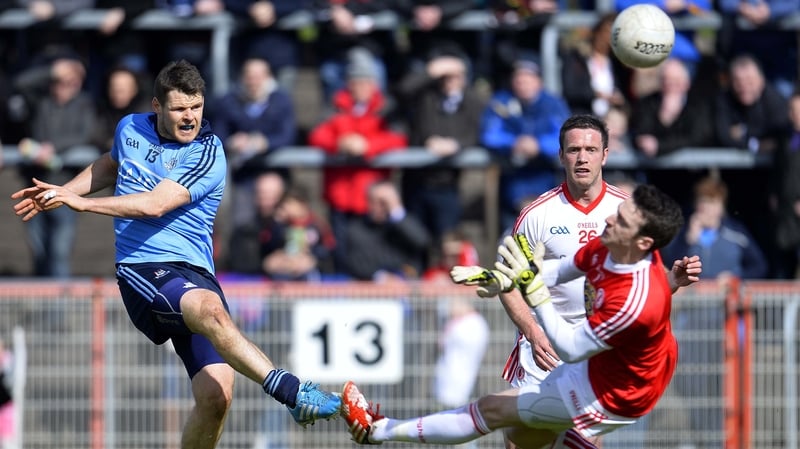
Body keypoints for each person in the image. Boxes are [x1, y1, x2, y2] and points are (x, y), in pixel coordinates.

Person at [10, 60, 341, 449]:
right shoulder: (130, 127)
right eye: (180, 108)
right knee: (210, 310)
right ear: (157, 106)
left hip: (195, 272)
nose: (190, 117)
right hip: (143, 267)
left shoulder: (207, 153)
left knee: (217, 395)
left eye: (196, 107)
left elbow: (155, 204)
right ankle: (293, 393)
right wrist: (64, 191)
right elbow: (111, 164)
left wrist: (80, 204)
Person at [340, 183, 702, 448]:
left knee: (492, 410)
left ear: (643, 243)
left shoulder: (637, 301)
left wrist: (536, 293)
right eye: (617, 211)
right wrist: (504, 278)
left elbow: (570, 348)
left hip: (618, 393)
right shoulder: (611, 244)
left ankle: (378, 429)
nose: (608, 218)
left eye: (621, 220)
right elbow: (558, 271)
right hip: (609, 365)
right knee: (525, 437)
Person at [660, 175, 766, 449]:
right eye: (703, 202)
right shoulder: (686, 233)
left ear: (721, 206)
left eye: (712, 202)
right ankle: (700, 439)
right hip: (692, 322)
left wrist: (735, 278)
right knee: (692, 385)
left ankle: (721, 440)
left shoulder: (736, 234)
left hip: (724, 321)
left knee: (723, 385)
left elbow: (759, 266)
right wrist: (687, 240)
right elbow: (667, 265)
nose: (706, 208)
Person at [308, 53, 407, 274]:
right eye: (355, 81)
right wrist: (340, 143)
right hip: (340, 194)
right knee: (341, 252)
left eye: (365, 81)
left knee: (371, 254)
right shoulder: (335, 105)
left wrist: (368, 145)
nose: (360, 87)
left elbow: (398, 139)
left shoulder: (386, 108)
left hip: (372, 197)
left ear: (374, 84)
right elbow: (317, 134)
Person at [393, 45, 486, 266]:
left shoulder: (473, 101)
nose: (449, 81)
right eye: (444, 76)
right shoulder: (426, 96)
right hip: (415, 182)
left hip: (448, 184)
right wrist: (431, 70)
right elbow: (402, 91)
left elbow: (481, 133)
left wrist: (456, 145)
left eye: (455, 75)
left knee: (448, 244)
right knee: (414, 245)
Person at [15, 56, 97, 277]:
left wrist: (53, 147)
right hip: (34, 184)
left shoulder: (84, 104)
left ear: (78, 82)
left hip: (65, 186)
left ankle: (61, 298)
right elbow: (22, 83)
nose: (64, 86)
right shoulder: (42, 101)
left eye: (70, 81)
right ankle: (41, 297)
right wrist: (53, 70)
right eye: (60, 81)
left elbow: (87, 134)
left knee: (60, 251)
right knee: (38, 250)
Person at [480, 53, 571, 231]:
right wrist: (514, 143)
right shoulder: (501, 101)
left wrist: (538, 145)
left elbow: (564, 135)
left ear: (539, 81)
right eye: (518, 78)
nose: (522, 83)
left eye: (528, 78)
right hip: (511, 179)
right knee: (513, 236)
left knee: (546, 234)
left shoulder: (552, 103)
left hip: (545, 177)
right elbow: (489, 135)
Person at [342, 179, 431, 281]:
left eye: (384, 202)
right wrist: (381, 277)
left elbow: (422, 242)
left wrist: (396, 212)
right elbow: (356, 263)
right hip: (371, 285)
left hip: (406, 283)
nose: (381, 207)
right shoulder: (357, 228)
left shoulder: (404, 225)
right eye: (375, 201)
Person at [769, 87, 800, 279]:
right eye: (792, 110)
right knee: (783, 269)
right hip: (785, 213)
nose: (793, 116)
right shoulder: (785, 139)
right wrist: (774, 194)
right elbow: (779, 171)